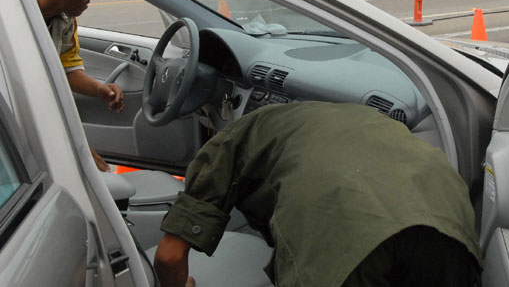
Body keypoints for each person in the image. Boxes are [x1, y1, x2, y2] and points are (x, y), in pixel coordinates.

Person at [154, 101, 481, 287]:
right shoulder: (345, 116)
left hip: (346, 228)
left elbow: (169, 256)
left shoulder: (236, 138)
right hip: (445, 216)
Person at [32, 0, 124, 171]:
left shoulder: (66, 19)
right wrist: (71, 146)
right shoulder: (10, 17)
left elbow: (68, 68)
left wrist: (100, 89)